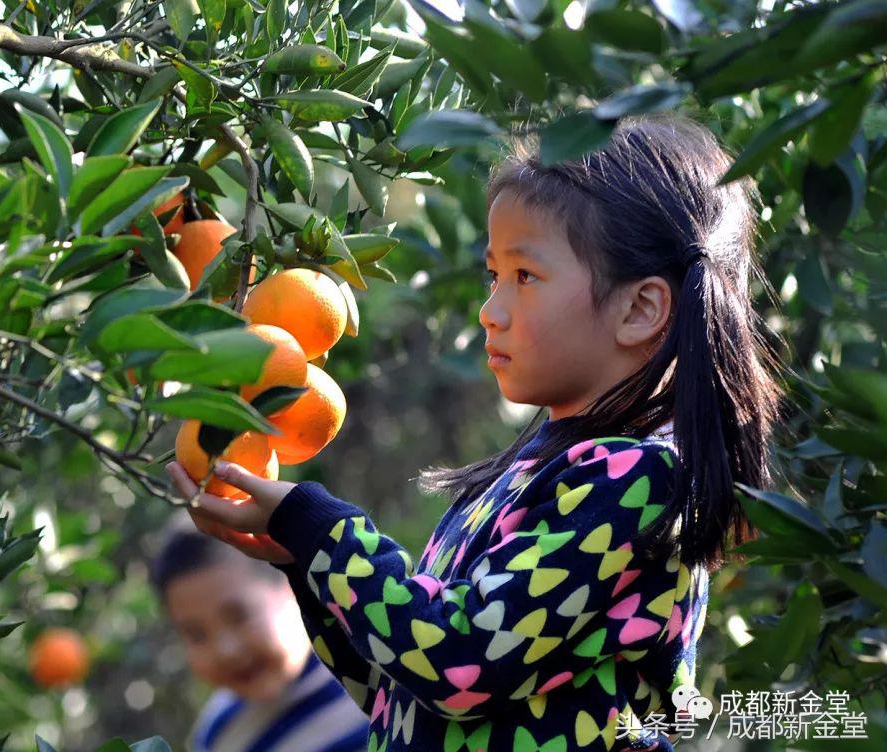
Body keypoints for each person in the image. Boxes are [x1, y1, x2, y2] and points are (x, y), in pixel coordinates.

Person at [165, 113, 784, 751]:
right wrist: (302, 560)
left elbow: (457, 665)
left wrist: (321, 528)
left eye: (525, 276)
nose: (491, 311)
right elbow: (399, 691)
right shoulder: (534, 476)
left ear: (639, 308)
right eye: (494, 276)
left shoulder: (635, 481)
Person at [149, 515, 370, 752]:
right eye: (196, 635)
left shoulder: (374, 685)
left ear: (292, 587)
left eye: (240, 617)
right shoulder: (219, 732)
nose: (226, 651)